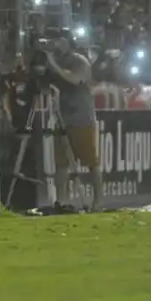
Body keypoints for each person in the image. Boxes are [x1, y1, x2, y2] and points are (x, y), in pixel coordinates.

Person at [39, 30, 103, 212]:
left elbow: (75, 79)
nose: (56, 45)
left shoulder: (79, 61)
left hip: (82, 117)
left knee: (91, 161)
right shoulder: (54, 62)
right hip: (62, 117)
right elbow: (44, 87)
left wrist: (54, 65)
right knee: (61, 163)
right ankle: (63, 201)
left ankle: (98, 201)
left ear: (68, 42)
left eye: (59, 40)